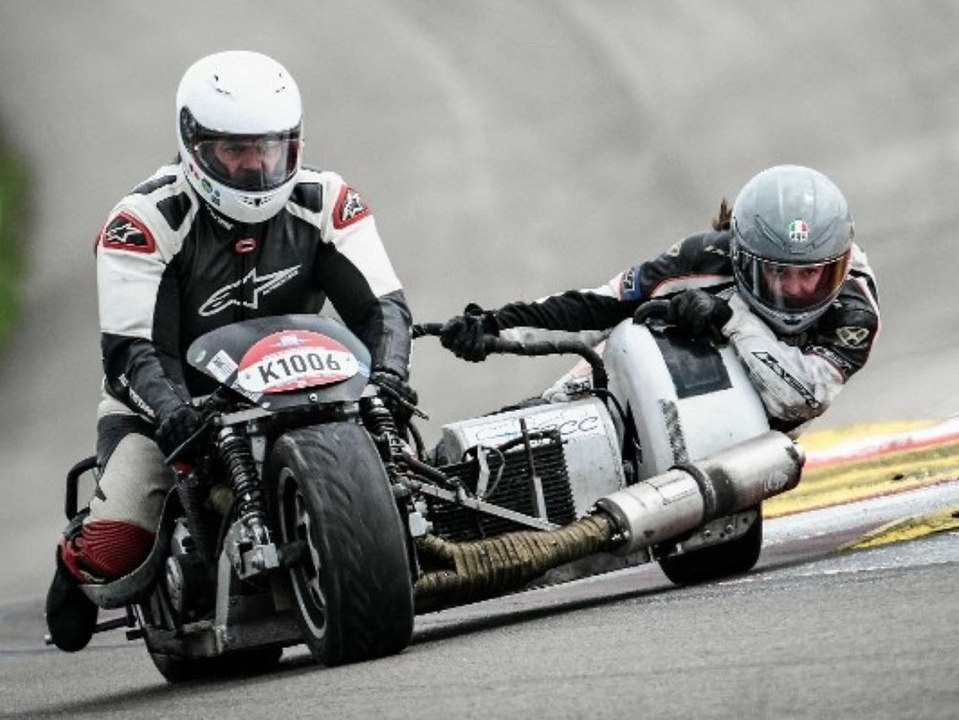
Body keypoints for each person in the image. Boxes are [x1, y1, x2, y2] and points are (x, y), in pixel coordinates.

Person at [46, 50, 417, 652]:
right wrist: (173, 416)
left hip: (307, 380)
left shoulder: (328, 200)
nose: (256, 166)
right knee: (116, 549)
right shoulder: (142, 222)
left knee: (405, 453)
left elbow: (385, 310)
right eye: (235, 151)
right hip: (170, 401)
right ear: (193, 144)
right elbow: (130, 353)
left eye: (271, 147)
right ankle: (75, 559)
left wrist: (391, 376)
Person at [440, 164, 880, 431]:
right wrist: (496, 325)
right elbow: (601, 304)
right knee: (550, 409)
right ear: (742, 256)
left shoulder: (855, 311)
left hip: (759, 418)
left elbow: (800, 398)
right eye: (779, 273)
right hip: (657, 383)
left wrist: (732, 318)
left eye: (814, 274)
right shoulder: (702, 258)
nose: (799, 290)